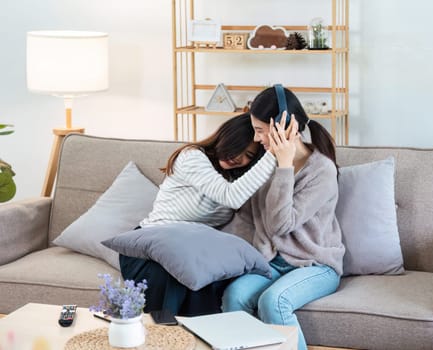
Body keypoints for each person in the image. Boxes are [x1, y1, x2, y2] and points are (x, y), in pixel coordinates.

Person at [120, 112, 298, 316]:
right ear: (224, 137)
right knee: (173, 278)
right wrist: (273, 153)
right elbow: (230, 196)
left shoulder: (238, 180)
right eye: (236, 147)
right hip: (151, 246)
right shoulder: (192, 156)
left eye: (248, 156)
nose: (239, 158)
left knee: (207, 279)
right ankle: (160, 339)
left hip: (188, 251)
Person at [221, 86, 345, 350]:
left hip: (316, 265)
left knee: (273, 301)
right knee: (234, 295)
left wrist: (285, 166)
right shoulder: (265, 162)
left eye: (260, 130)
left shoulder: (322, 171)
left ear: (284, 126)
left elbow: (281, 224)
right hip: (271, 262)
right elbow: (248, 216)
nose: (256, 138)